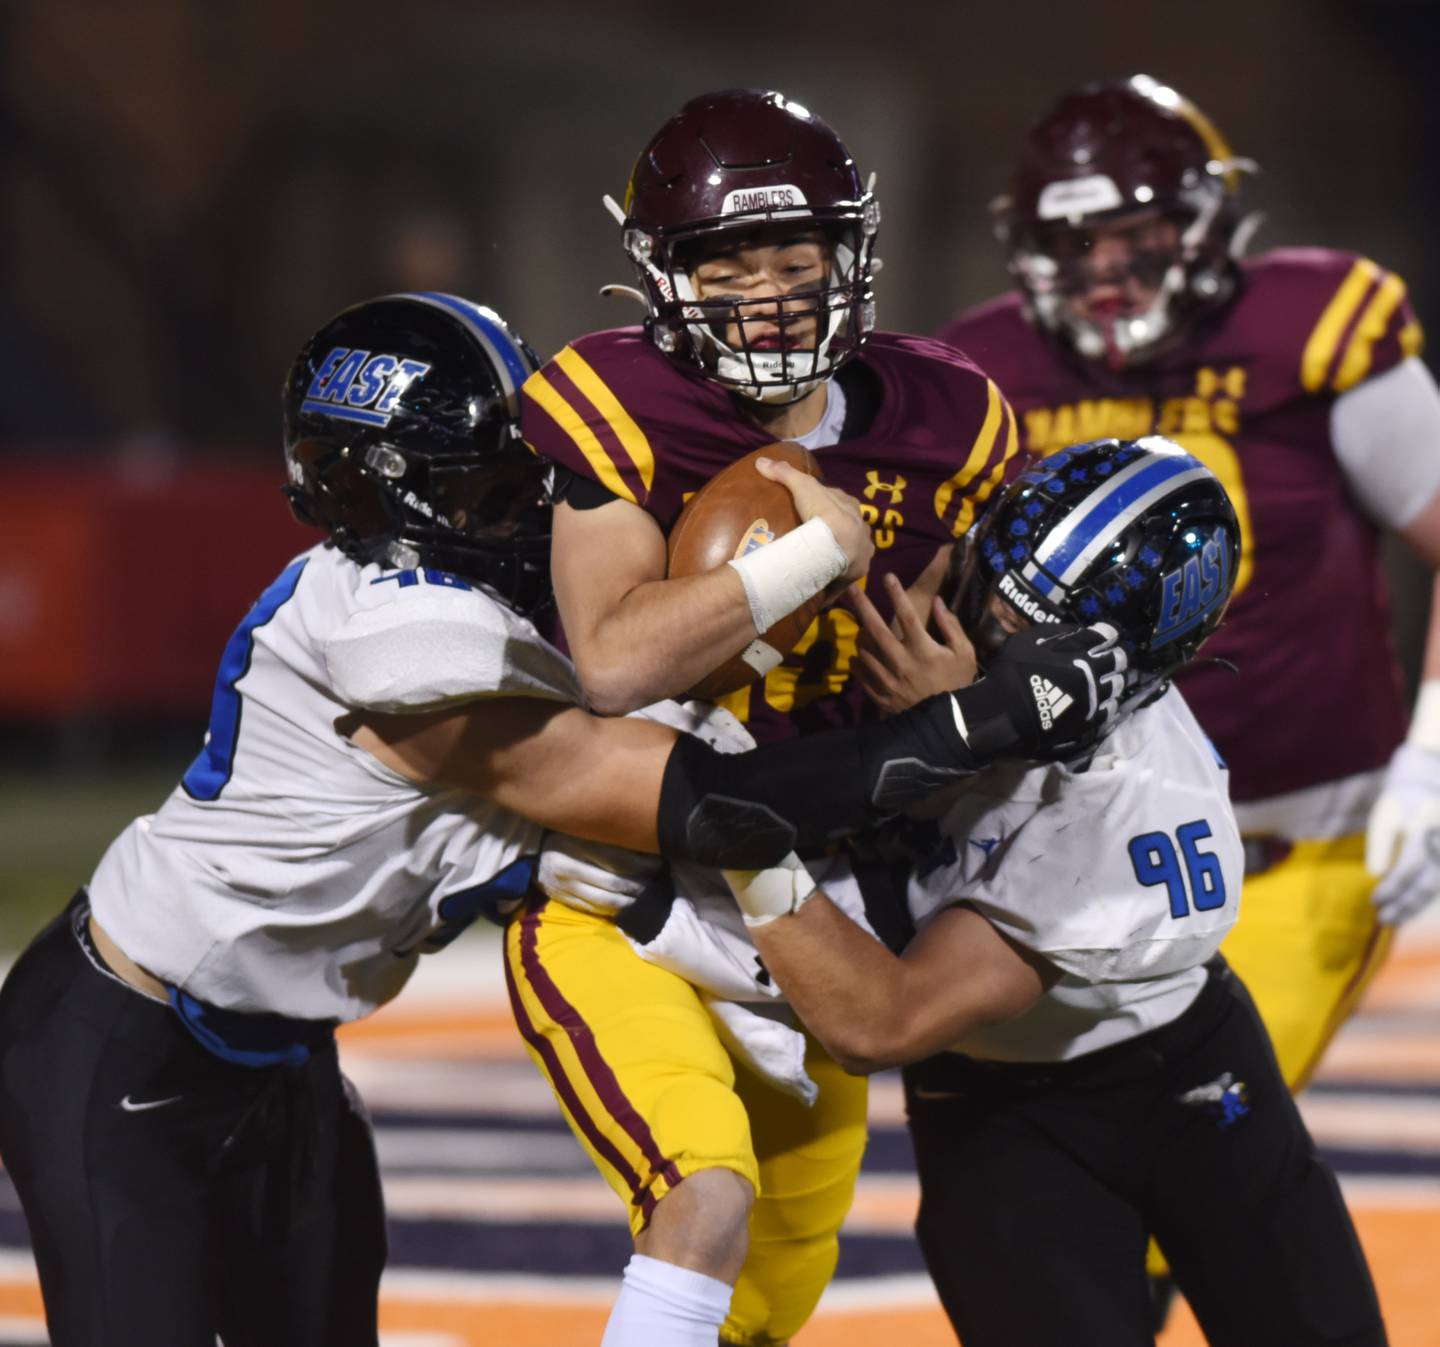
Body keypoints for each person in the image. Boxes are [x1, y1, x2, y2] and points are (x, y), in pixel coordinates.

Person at [0, 292, 1122, 1347]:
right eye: (493, 492)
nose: (533, 508)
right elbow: (701, 801)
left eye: (527, 478)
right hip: (124, 1041)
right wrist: (963, 731)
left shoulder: (490, 589)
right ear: (376, 490)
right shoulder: (383, 634)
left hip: (284, 1052)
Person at [511, 88, 1027, 1346]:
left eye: (795, 262)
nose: (769, 298)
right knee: (702, 1200)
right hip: (625, 895)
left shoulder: (948, 420)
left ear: (851, 262)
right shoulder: (618, 401)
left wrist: (965, 712)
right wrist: (805, 564)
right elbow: (617, 664)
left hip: (820, 912)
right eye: (726, 266)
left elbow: (994, 694)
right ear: (661, 277)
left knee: (765, 1306)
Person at [720, 437, 1388, 1347]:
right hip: (991, 1110)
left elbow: (883, 1020)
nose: (981, 635)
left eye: (1030, 642)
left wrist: (737, 835)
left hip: (1174, 1081)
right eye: (984, 594)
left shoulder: (1135, 804)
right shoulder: (930, 584)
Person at [938, 75, 1440, 1110]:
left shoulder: (1308, 323)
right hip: (1069, 840)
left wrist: (1433, 758)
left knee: (1187, 1151)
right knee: (1042, 1163)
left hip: (1296, 842)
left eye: (1139, 234)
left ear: (1204, 222)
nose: (1110, 272)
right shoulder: (982, 365)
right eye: (1081, 244)